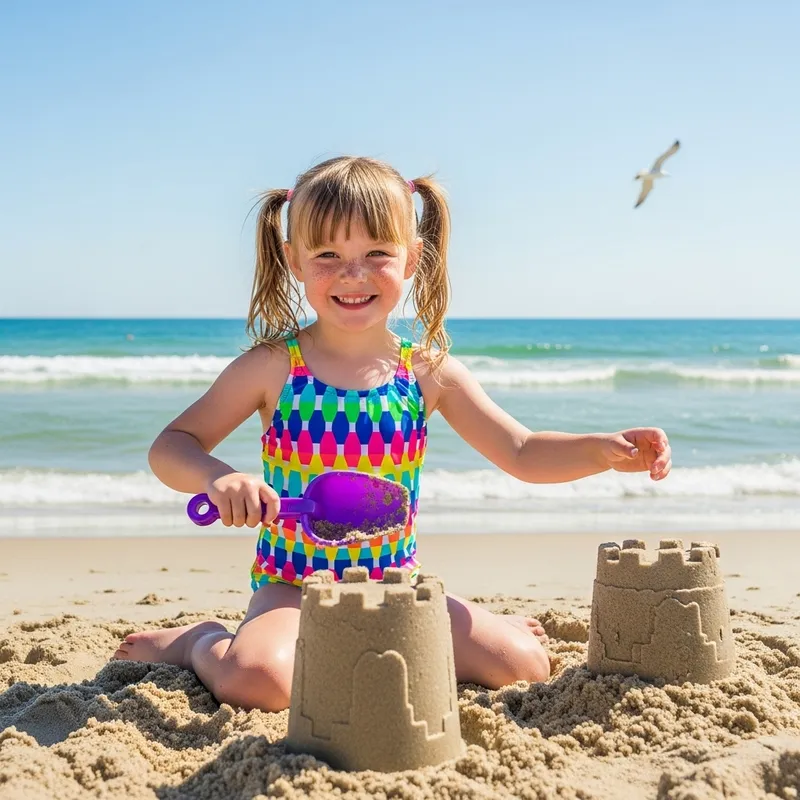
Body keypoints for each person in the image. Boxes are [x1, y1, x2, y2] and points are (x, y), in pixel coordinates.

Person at [114, 156, 672, 711]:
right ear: (294, 261)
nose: (352, 274)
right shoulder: (273, 367)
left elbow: (522, 452)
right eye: (328, 255)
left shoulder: (428, 373)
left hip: (393, 586)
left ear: (411, 259)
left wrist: (600, 449)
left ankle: (483, 623)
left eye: (376, 254)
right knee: (257, 683)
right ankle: (197, 643)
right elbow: (172, 446)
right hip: (291, 586)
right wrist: (219, 479)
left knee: (523, 665)